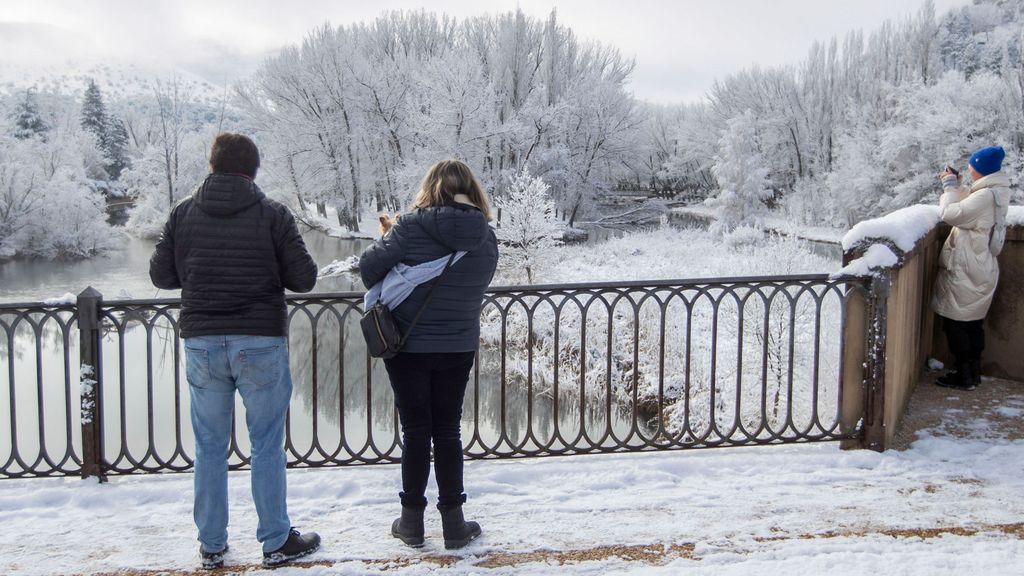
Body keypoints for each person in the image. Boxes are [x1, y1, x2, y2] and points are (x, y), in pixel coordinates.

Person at [149, 133, 321, 569]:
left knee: (208, 445)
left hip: (203, 341)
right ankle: (276, 540)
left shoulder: (183, 213)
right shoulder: (273, 215)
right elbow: (304, 279)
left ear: (213, 165)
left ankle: (211, 544)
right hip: (259, 341)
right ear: (253, 169)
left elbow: (161, 276)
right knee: (266, 444)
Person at [359, 160, 499, 549]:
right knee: (448, 431)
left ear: (430, 188)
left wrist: (390, 243)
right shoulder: (485, 237)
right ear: (472, 191)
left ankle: (412, 523)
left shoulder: (410, 227)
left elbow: (368, 270)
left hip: (408, 346)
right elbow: (480, 281)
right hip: (458, 344)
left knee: (417, 432)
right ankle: (454, 524)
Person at [932, 146, 1012, 391]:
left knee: (957, 324)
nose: (970, 170)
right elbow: (971, 204)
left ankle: (964, 376)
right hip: (981, 265)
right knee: (972, 324)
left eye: (972, 168)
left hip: (968, 268)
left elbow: (951, 213)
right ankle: (972, 373)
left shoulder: (986, 196)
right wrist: (957, 186)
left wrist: (948, 187)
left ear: (982, 169)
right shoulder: (995, 192)